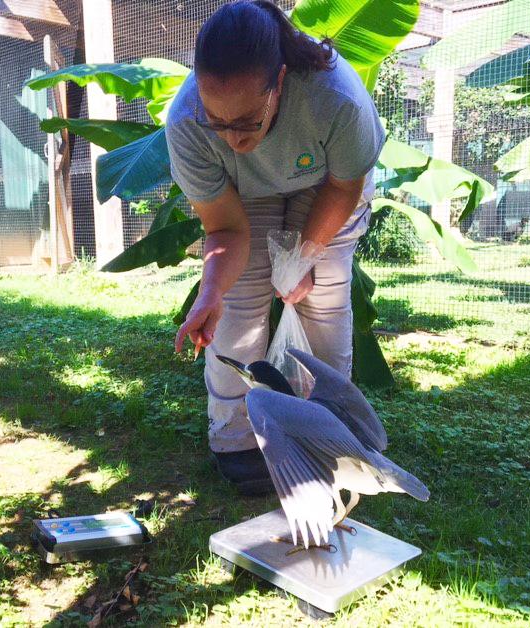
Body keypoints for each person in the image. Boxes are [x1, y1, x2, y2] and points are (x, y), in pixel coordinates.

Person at [166, 0, 385, 495]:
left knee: (323, 292)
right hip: (248, 191)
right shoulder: (185, 124)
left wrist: (304, 257)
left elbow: (343, 188)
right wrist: (209, 294)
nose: (231, 137)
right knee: (239, 303)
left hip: (327, 181)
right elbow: (225, 229)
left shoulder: (338, 101)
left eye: (245, 121)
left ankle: (333, 435)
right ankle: (237, 440)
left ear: (280, 82)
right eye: (216, 122)